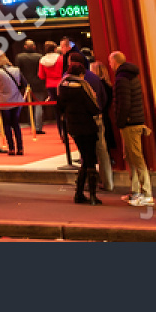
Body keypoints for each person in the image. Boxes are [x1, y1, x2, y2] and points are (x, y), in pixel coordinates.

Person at [56, 56, 102, 204]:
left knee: (84, 158)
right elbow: (93, 109)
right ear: (81, 74)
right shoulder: (82, 88)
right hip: (87, 126)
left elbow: (60, 108)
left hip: (73, 126)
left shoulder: (62, 87)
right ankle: (93, 196)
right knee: (90, 160)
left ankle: (79, 194)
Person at [109, 51, 151, 206]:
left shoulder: (122, 79)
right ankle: (135, 192)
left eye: (110, 62)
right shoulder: (131, 76)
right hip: (134, 121)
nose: (110, 65)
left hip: (130, 124)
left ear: (115, 62)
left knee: (136, 158)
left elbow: (123, 103)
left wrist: (120, 122)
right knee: (131, 158)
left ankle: (146, 193)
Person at [84, 54, 115, 192]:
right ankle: (107, 181)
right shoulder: (108, 85)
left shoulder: (96, 85)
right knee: (104, 149)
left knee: (98, 150)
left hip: (98, 118)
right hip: (106, 117)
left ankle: (99, 181)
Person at [38, 41, 70, 162]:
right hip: (61, 83)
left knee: (56, 110)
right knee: (66, 107)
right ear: (55, 48)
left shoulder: (42, 61)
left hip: (50, 85)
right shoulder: (61, 59)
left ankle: (61, 132)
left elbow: (41, 75)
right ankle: (68, 129)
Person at [0, 54, 27, 156]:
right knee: (16, 124)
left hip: (4, 101)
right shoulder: (17, 70)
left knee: (7, 125)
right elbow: (25, 83)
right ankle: (20, 148)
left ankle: (11, 148)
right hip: (17, 100)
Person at [15, 39, 45, 134]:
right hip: (39, 83)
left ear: (25, 46)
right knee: (39, 105)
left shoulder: (19, 57)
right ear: (34, 47)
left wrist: (20, 84)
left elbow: (18, 72)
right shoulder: (39, 57)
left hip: (25, 84)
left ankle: (32, 124)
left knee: (29, 105)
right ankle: (38, 127)